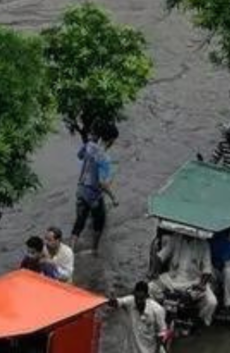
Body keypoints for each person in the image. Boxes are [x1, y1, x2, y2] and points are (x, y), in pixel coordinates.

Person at [150, 233, 217, 327]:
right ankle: (156, 314)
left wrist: (201, 285)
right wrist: (154, 271)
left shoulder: (204, 244)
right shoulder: (176, 238)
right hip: (172, 279)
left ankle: (200, 322)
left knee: (211, 302)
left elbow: (207, 269)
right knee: (150, 287)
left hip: (194, 281)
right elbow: (161, 256)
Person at [71, 122, 118, 254]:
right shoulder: (105, 158)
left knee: (79, 221)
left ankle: (72, 251)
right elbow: (102, 183)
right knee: (99, 223)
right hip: (94, 196)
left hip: (80, 190)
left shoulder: (89, 146)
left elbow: (79, 156)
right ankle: (94, 250)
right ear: (110, 140)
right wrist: (113, 197)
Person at [110, 281, 168, 353]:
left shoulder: (157, 310)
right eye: (136, 298)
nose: (138, 302)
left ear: (147, 296)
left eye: (141, 298)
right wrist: (112, 297)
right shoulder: (130, 301)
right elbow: (116, 303)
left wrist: (156, 351)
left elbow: (161, 333)